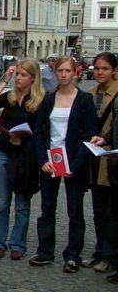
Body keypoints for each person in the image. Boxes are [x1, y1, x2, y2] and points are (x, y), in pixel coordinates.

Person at [29, 56, 96, 272]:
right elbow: (39, 131)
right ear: (55, 72)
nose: (64, 75)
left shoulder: (84, 100)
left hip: (74, 162)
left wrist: (75, 165)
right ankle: (45, 250)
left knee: (74, 210)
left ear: (75, 72)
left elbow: (88, 135)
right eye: (60, 71)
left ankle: (73, 254)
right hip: (51, 161)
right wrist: (42, 160)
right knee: (47, 208)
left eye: (68, 71)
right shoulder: (49, 99)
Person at [0, 59, 45, 261]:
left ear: (33, 78)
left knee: (22, 202)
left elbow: (42, 132)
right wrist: (5, 79)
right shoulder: (9, 97)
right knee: (1, 201)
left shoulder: (40, 101)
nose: (19, 78)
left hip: (25, 156)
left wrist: (24, 139)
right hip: (3, 152)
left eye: (23, 75)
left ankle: (18, 243)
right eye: (17, 74)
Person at [83, 52, 118, 273]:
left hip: (112, 160)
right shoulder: (90, 94)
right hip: (94, 157)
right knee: (97, 209)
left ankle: (110, 254)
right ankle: (99, 250)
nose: (99, 72)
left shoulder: (116, 95)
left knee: (111, 212)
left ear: (114, 70)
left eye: (104, 68)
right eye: (96, 68)